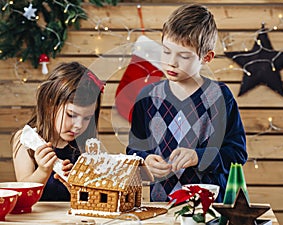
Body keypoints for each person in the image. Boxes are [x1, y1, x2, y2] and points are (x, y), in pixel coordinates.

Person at [126, 4, 247, 203]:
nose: (171, 62)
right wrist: (145, 161)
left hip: (211, 210)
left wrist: (199, 157)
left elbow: (237, 153)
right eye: (166, 52)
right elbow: (134, 150)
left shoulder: (220, 96)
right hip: (163, 206)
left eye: (183, 56)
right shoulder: (147, 97)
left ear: (206, 58)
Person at [11, 62, 105, 201]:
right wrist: (43, 170)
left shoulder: (89, 146)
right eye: (71, 115)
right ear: (50, 105)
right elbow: (24, 196)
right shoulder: (25, 141)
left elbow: (99, 197)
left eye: (87, 118)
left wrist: (81, 190)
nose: (78, 125)